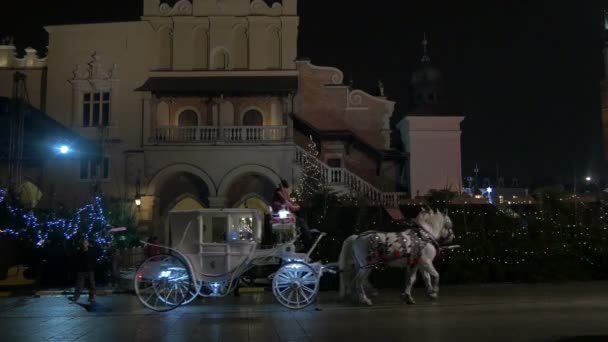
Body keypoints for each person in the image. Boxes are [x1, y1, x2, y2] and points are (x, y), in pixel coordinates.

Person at [272, 180, 314, 249]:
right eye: (286, 190)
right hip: (286, 219)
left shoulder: (281, 196)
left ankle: (306, 238)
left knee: (301, 218)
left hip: (287, 217)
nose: (287, 192)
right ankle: (308, 240)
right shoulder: (281, 197)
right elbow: (290, 206)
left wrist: (294, 206)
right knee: (302, 221)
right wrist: (295, 206)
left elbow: (291, 206)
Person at [70, 238, 97, 305]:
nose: (84, 244)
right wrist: (84, 251)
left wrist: (92, 266)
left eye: (86, 243)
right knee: (79, 285)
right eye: (83, 243)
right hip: (81, 270)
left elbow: (93, 258)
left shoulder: (91, 250)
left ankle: (92, 297)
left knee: (91, 284)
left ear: (88, 243)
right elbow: (78, 259)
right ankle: (75, 298)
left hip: (90, 270)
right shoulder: (80, 251)